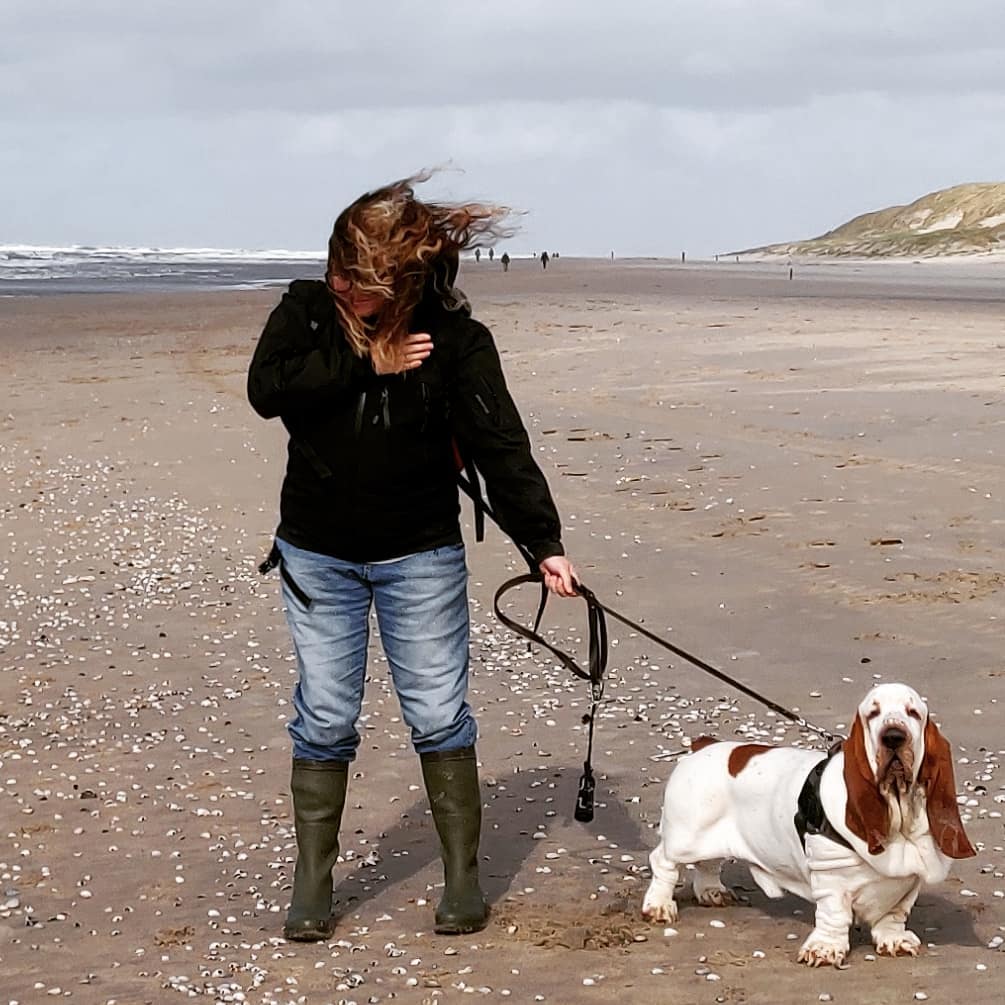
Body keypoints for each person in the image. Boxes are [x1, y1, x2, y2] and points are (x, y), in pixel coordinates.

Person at [247, 172, 577, 943]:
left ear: (400, 282)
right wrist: (369, 363)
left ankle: (461, 880)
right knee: (324, 717)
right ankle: (312, 887)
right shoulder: (304, 314)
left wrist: (544, 543)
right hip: (316, 552)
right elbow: (267, 391)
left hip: (419, 554)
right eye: (340, 276)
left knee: (435, 713)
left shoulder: (457, 339)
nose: (343, 290)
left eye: (359, 284)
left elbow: (501, 444)